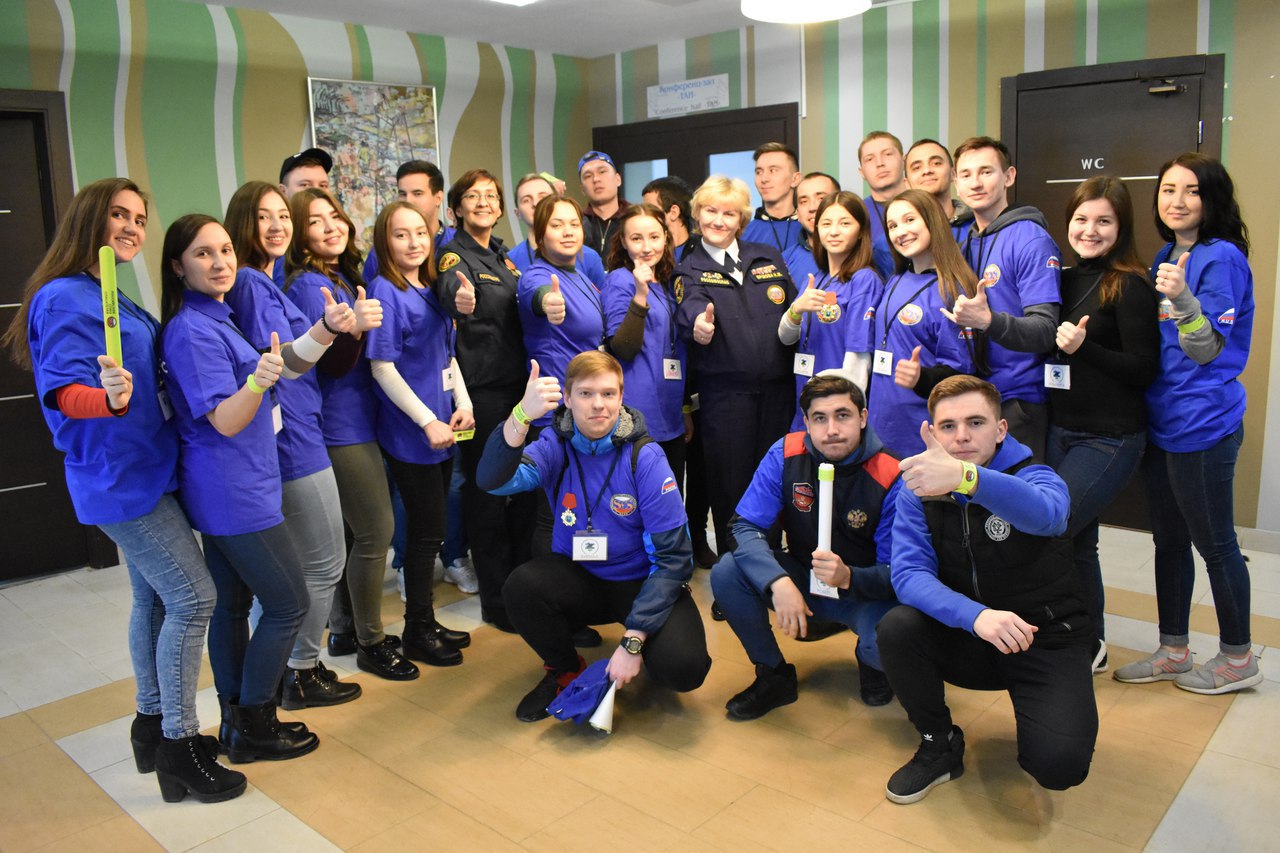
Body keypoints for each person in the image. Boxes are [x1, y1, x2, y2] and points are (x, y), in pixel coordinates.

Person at [3, 179, 244, 803]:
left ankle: (151, 724)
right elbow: (64, 391)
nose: (132, 227)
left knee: (156, 600)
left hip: (147, 469)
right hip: (120, 479)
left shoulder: (106, 290)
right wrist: (107, 400)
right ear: (90, 219)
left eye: (139, 217)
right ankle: (179, 746)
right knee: (194, 598)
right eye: (119, 215)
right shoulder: (63, 297)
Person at [878, 375, 1096, 804]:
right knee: (897, 627)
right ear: (932, 432)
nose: (961, 436)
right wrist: (975, 617)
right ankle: (939, 744)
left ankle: (1051, 708)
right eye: (948, 426)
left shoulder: (1038, 475)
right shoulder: (917, 491)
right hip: (971, 635)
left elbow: (1049, 516)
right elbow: (908, 576)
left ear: (1000, 430)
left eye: (975, 423)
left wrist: (967, 478)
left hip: (1045, 639)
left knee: (1059, 766)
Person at [160, 214, 327, 763]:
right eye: (203, 254)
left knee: (233, 606)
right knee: (289, 602)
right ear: (178, 266)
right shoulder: (192, 330)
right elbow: (227, 420)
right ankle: (256, 719)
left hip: (238, 485)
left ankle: (237, 722)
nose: (220, 262)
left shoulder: (219, 317)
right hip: (232, 493)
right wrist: (259, 379)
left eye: (226, 250)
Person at [476, 352, 711, 721]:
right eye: (586, 394)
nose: (598, 405)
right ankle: (564, 670)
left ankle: (646, 646)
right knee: (521, 587)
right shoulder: (555, 444)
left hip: (641, 581)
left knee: (684, 669)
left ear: (621, 397)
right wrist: (521, 415)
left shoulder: (646, 458)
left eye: (608, 394)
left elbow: (674, 559)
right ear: (568, 399)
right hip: (581, 577)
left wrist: (633, 642)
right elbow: (492, 480)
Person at [223, 182, 384, 695]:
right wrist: (332, 329)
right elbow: (285, 363)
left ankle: (289, 670)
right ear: (242, 224)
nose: (276, 226)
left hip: (301, 428)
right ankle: (299, 670)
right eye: (263, 217)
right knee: (323, 562)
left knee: (313, 563)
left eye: (282, 216)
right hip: (292, 437)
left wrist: (335, 328)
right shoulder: (253, 283)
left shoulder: (266, 280)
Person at [1114, 153, 1261, 694]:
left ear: (1211, 198)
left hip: (1204, 423)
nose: (1176, 200)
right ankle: (1173, 649)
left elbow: (1206, 349)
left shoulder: (1221, 258)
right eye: (1168, 189)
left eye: (1192, 190)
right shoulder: (1167, 254)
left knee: (1216, 544)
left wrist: (1182, 298)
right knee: (1170, 542)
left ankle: (1238, 657)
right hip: (1164, 419)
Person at [712, 374, 901, 717]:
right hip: (804, 579)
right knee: (728, 571)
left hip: (864, 593)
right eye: (820, 418)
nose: (832, 430)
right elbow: (744, 526)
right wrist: (777, 581)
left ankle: (871, 661)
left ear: (862, 417)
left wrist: (849, 577)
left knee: (891, 639)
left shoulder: (892, 473)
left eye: (843, 416)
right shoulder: (786, 453)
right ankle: (774, 674)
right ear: (807, 422)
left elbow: (897, 573)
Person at [282, 189, 403, 666]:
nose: (331, 226)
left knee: (355, 535)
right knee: (376, 531)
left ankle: (346, 631)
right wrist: (353, 329)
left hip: (355, 419)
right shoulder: (311, 285)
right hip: (339, 425)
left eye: (334, 216)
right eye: (316, 221)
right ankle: (372, 642)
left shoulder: (339, 274)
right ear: (299, 232)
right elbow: (327, 363)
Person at [1045, 177, 1159, 672]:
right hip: (1061, 429)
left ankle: (1075, 637)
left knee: (1054, 527)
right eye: (1081, 219)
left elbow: (1144, 369)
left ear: (1121, 227)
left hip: (1109, 436)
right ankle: (1090, 640)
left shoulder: (1129, 285)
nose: (1090, 230)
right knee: (1079, 542)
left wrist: (1083, 349)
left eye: (1104, 221)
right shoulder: (1064, 279)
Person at [366, 201, 474, 666]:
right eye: (400, 234)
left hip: (444, 424)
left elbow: (447, 356)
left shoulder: (430, 285)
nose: (413, 243)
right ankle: (416, 629)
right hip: (411, 432)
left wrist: (463, 404)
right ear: (384, 241)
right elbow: (382, 367)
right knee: (425, 532)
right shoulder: (385, 290)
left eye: (420, 233)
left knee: (435, 529)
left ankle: (426, 621)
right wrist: (426, 420)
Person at [433, 169, 535, 633]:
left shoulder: (504, 258)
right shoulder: (453, 254)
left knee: (523, 495)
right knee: (488, 496)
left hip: (518, 390)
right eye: (472, 196)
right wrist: (461, 300)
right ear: (455, 208)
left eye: (491, 196)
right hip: (483, 394)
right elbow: (451, 290)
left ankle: (523, 588)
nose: (483, 202)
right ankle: (496, 600)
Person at [675, 176, 797, 557]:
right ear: (697, 215)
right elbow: (690, 308)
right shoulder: (689, 268)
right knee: (732, 485)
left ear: (741, 219)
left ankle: (770, 563)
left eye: (729, 213)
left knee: (774, 480)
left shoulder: (767, 256)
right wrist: (700, 326)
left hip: (778, 394)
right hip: (726, 398)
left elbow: (793, 310)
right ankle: (737, 570)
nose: (719, 220)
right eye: (711, 211)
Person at [950, 136, 1062, 461]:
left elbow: (1046, 330)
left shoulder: (1030, 238)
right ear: (956, 183)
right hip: (974, 401)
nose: (975, 182)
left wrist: (988, 321)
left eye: (986, 171)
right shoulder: (965, 246)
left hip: (1018, 403)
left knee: (1018, 493)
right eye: (966, 174)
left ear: (1008, 176)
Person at [869, 189, 977, 459]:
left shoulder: (952, 289)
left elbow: (962, 373)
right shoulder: (896, 280)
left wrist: (922, 378)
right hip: (881, 427)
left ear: (932, 221)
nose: (901, 232)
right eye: (892, 226)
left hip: (922, 432)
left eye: (909, 220)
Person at [778, 191, 884, 425]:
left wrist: (843, 413)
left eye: (845, 223)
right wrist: (796, 310)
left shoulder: (863, 279)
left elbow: (859, 355)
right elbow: (786, 338)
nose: (834, 231)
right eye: (826, 223)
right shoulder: (815, 279)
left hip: (836, 409)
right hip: (806, 400)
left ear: (861, 231)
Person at [602, 203, 690, 482]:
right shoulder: (621, 280)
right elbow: (623, 348)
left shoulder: (665, 282)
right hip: (637, 416)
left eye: (654, 237)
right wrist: (640, 295)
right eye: (636, 238)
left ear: (665, 237)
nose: (647, 247)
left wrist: (685, 409)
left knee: (671, 497)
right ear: (623, 242)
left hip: (670, 414)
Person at [517, 195, 607, 424]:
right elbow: (540, 293)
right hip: (554, 413)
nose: (568, 232)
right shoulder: (536, 274)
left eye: (574, 224)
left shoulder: (580, 276)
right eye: (557, 225)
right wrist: (549, 302)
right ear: (540, 236)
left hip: (584, 405)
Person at [362, 159, 456, 282]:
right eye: (403, 194)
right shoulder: (383, 250)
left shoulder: (458, 241)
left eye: (417, 193)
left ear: (438, 198)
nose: (408, 201)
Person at [509, 173, 606, 283]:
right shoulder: (510, 260)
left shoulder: (589, 257)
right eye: (526, 200)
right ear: (517, 213)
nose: (536, 203)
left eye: (543, 197)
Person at [275, 147, 332, 287]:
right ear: (283, 192)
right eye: (305, 185)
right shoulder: (278, 247)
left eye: (323, 185)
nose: (316, 192)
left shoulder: (334, 243)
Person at [857, 131, 908, 279]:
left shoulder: (926, 205)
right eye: (869, 159)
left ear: (904, 160)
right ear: (861, 172)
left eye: (888, 154)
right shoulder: (856, 215)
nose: (880, 163)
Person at [742, 142, 804, 252]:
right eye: (759, 172)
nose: (764, 179)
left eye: (773, 171)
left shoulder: (811, 230)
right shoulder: (743, 234)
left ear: (795, 179)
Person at [579, 150, 630, 256]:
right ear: (582, 189)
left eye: (602, 172)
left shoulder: (636, 217)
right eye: (588, 176)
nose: (596, 179)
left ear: (618, 179)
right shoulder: (577, 223)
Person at [905, 138, 966, 222]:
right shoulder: (899, 229)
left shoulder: (978, 223)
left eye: (936, 163)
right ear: (907, 183)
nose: (927, 171)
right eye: (917, 167)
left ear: (953, 173)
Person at [642, 176, 696, 259]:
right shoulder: (644, 254)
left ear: (674, 213)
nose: (644, 215)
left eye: (651, 209)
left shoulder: (703, 253)